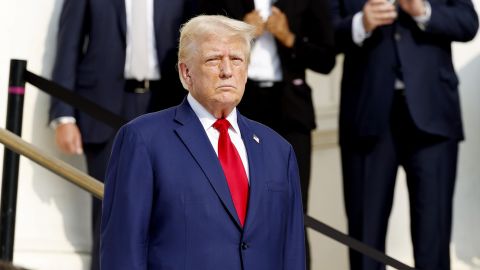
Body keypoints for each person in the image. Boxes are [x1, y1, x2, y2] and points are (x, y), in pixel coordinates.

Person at [101, 15, 306, 270]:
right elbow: (123, 251)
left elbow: (293, 251)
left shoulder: (279, 150)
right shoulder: (143, 139)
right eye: (213, 60)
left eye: (236, 59)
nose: (227, 71)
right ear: (186, 73)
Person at [329, 0, 478, 267]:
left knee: (434, 238)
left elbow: (468, 23)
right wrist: (360, 24)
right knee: (365, 241)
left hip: (433, 116)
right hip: (366, 115)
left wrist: (423, 11)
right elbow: (323, 32)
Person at [49, 1, 196, 269]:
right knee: (110, 210)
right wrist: (63, 115)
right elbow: (68, 44)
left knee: (169, 210)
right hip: (101, 109)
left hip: (166, 105)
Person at [198, 1, 336, 267]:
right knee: (234, 212)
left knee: (294, 212)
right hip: (236, 110)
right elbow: (199, 46)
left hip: (291, 113)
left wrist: (288, 37)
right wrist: (241, 34)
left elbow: (326, 59)